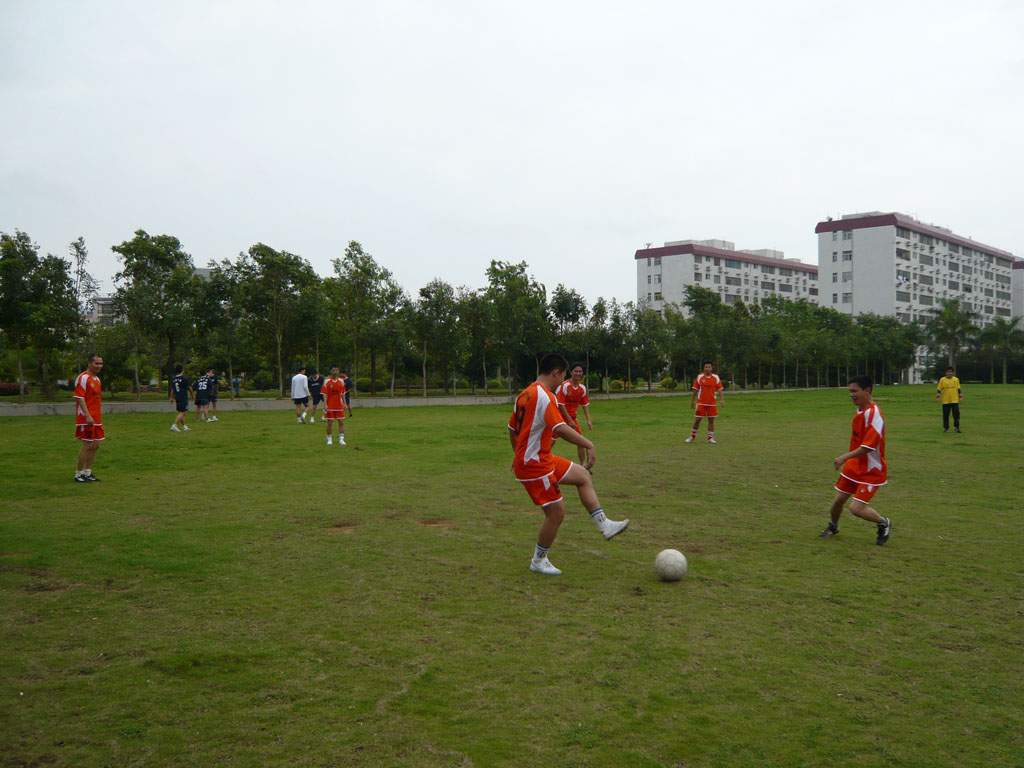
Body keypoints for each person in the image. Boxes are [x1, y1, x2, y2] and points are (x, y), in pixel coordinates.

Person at [508, 352, 629, 576]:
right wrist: (588, 444)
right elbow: (560, 429)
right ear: (556, 373)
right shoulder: (545, 396)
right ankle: (539, 560)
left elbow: (511, 429)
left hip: (541, 458)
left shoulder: (524, 394)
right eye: (563, 376)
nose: (562, 381)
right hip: (535, 465)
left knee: (583, 475)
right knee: (556, 513)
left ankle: (605, 525)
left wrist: (518, 455)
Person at [819, 375, 892, 546]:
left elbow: (868, 447)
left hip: (871, 470)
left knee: (855, 509)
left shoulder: (874, 415)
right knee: (837, 502)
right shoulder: (860, 410)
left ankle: (883, 522)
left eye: (854, 391)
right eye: (850, 391)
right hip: (854, 467)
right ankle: (834, 526)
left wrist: (844, 457)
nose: (851, 395)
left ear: (867, 390)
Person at [73, 353, 105, 482]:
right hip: (87, 418)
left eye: (101, 363)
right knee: (87, 445)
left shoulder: (97, 379)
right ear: (89, 363)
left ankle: (88, 472)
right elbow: (79, 397)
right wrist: (87, 415)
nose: (99, 366)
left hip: (96, 418)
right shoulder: (83, 378)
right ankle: (79, 474)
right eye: (96, 363)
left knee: (95, 445)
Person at [555, 362, 593, 466]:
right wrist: (569, 420)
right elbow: (560, 404)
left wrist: (588, 421)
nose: (578, 373)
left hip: (572, 419)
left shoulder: (582, 388)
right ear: (571, 372)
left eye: (580, 371)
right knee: (550, 441)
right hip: (558, 418)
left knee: (581, 442)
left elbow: (585, 405)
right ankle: (540, 461)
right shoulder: (565, 386)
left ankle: (582, 466)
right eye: (576, 371)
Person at [686, 361, 724, 443]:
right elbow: (695, 390)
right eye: (706, 367)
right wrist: (692, 400)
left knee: (711, 420)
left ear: (711, 368)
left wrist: (722, 399)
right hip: (701, 403)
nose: (707, 368)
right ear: (704, 368)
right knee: (697, 419)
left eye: (709, 367)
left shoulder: (715, 377)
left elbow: (719, 389)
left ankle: (710, 438)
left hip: (712, 403)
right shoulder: (699, 377)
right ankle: (692, 436)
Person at [321, 365, 352, 446]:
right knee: (330, 422)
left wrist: (345, 403)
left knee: (341, 422)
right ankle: (329, 439)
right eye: (333, 370)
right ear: (331, 371)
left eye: (336, 370)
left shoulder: (341, 381)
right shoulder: (327, 381)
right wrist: (325, 404)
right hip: (330, 405)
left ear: (338, 371)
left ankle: (341, 439)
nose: (335, 372)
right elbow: (324, 394)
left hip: (339, 405)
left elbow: (343, 393)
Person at [936, 366, 962, 433]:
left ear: (953, 373)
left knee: (956, 415)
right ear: (946, 373)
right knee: (946, 415)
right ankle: (946, 428)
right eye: (948, 372)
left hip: (954, 400)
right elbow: (939, 389)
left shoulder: (956, 379)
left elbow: (958, 389)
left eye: (950, 372)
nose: (949, 373)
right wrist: (938, 397)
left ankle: (957, 428)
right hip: (946, 400)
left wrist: (960, 397)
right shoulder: (942, 380)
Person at [170, 365, 191, 432]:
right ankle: (174, 425)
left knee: (181, 412)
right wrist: (192, 394)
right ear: (182, 370)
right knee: (183, 412)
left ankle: (184, 426)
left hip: (177, 396)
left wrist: (172, 397)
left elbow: (172, 389)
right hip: (183, 396)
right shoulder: (184, 378)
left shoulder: (174, 379)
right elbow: (189, 387)